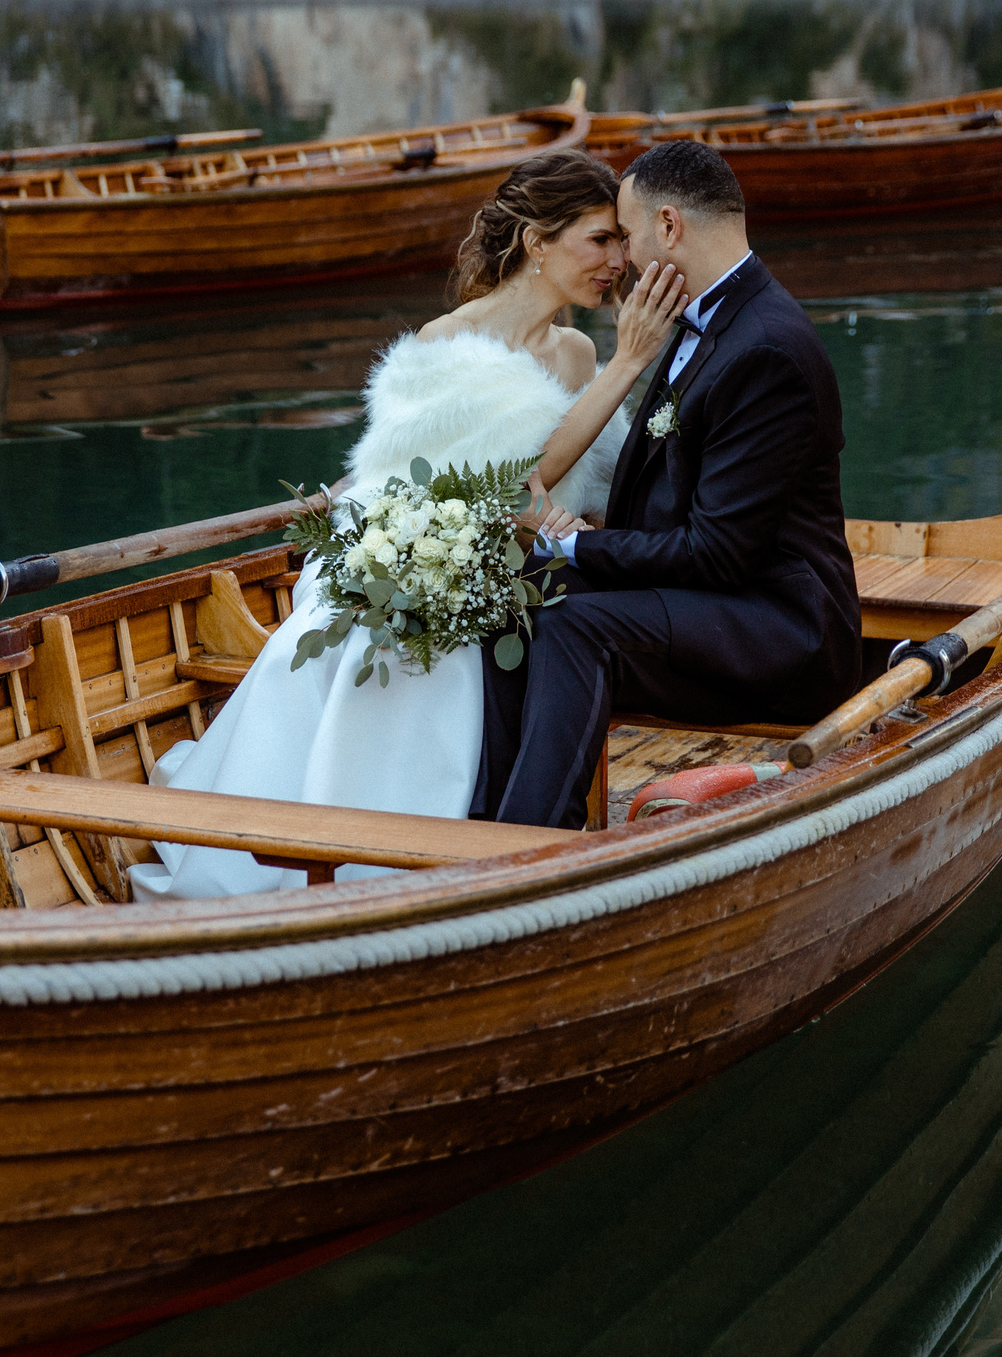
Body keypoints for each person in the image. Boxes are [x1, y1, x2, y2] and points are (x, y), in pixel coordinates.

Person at [126, 148, 689, 900]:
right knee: (405, 648)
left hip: (515, 562)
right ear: (537, 241)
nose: (619, 261)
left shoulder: (577, 351)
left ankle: (502, 828)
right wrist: (631, 362)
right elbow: (497, 480)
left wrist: (572, 519)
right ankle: (369, 848)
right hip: (416, 553)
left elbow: (574, 478)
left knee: (548, 621)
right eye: (601, 239)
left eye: (622, 240)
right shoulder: (447, 341)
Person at [476, 137, 864, 830]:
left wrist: (569, 544)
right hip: (712, 601)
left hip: (783, 631)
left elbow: (716, 554)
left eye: (626, 236)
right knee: (521, 593)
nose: (623, 259)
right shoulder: (695, 320)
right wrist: (570, 542)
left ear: (669, 226)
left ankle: (528, 845)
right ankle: (484, 820)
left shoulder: (766, 348)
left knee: (577, 624)